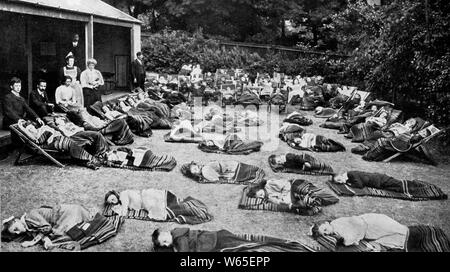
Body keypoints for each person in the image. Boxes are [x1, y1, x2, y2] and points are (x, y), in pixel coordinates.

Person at [1, 204, 93, 249]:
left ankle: (86, 221)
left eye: (16, 228)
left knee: (68, 235)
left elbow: (46, 228)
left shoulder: (30, 216)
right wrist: (46, 240)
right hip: (58, 220)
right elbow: (40, 232)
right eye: (16, 233)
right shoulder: (27, 227)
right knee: (56, 238)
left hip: (65, 213)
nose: (18, 232)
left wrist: (32, 242)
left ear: (17, 220)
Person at [310, 213, 409, 249]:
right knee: (392, 237)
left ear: (327, 223)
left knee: (401, 232)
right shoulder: (335, 227)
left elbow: (357, 227)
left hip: (372, 224)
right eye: (325, 234)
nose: (328, 233)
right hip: (369, 225)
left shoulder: (337, 225)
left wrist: (347, 241)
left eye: (325, 229)